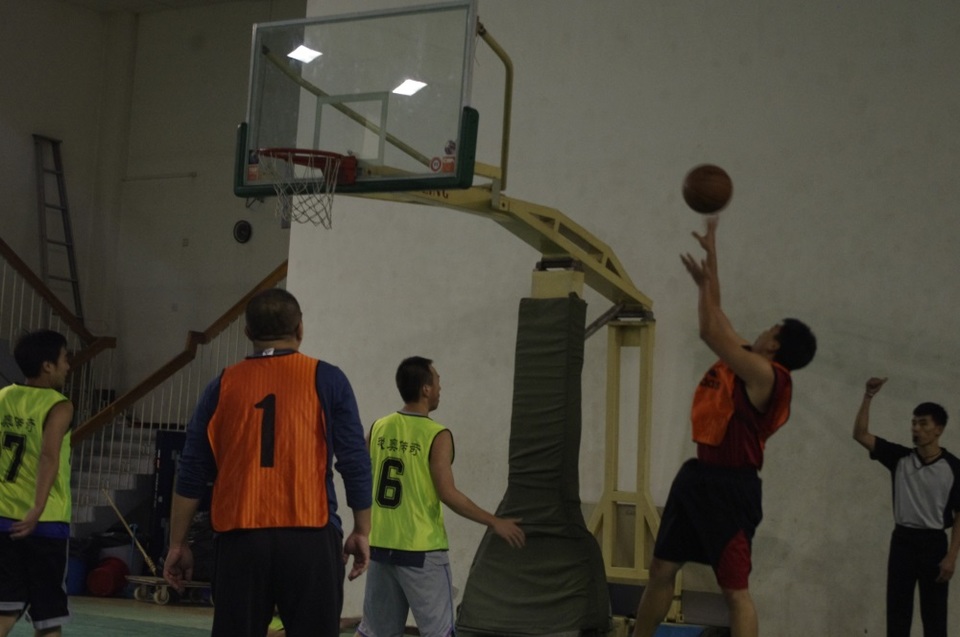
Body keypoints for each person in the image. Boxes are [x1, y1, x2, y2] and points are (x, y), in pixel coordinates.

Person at [633, 216, 817, 637]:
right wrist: (711, 255)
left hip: (732, 488)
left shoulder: (767, 376)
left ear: (776, 343)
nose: (763, 329)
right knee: (661, 569)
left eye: (771, 328)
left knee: (734, 592)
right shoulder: (749, 358)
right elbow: (717, 315)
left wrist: (702, 287)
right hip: (699, 477)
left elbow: (709, 330)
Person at [162, 288, 372, 637]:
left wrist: (177, 543)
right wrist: (362, 530)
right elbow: (354, 460)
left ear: (248, 332)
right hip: (310, 534)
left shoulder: (221, 386)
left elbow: (192, 470)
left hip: (239, 539)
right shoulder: (328, 379)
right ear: (300, 329)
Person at [357, 356, 526, 637]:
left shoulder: (378, 428)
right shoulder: (436, 434)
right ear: (425, 389)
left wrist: (360, 528)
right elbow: (448, 493)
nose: (440, 387)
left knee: (376, 632)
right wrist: (494, 521)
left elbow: (359, 477)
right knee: (439, 632)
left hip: (381, 547)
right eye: (437, 381)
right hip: (421, 550)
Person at [852, 377, 960, 637]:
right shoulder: (899, 458)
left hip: (934, 544)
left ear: (938, 429)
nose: (916, 429)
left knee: (935, 618)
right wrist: (868, 396)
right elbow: (860, 434)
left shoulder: (954, 468)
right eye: (913, 423)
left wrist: (952, 556)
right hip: (902, 542)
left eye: (923, 424)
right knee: (898, 616)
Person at [0, 329, 74, 637]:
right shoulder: (59, 405)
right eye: (64, 359)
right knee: (48, 617)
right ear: (47, 365)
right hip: (46, 522)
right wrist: (37, 508)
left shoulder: (4, 397)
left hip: (4, 519)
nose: (67, 366)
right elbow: (48, 456)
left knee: (5, 609)